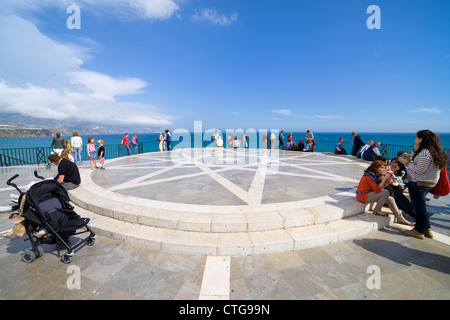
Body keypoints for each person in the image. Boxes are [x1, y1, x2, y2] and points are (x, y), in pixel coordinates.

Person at [398, 130, 448, 239]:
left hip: (419, 183)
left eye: (416, 138)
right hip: (428, 183)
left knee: (419, 209)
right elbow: (419, 164)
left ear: (421, 139)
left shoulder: (425, 153)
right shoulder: (435, 151)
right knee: (421, 207)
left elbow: (418, 170)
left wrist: (405, 162)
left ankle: (419, 230)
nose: (415, 139)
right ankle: (427, 228)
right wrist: (415, 149)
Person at [356, 160, 413, 225]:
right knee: (385, 192)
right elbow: (377, 190)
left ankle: (401, 219)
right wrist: (385, 179)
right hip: (362, 196)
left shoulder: (376, 175)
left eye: (384, 167)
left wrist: (387, 180)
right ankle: (377, 210)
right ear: (376, 168)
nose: (383, 169)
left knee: (391, 199)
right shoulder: (369, 176)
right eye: (382, 167)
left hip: (370, 194)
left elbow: (381, 187)